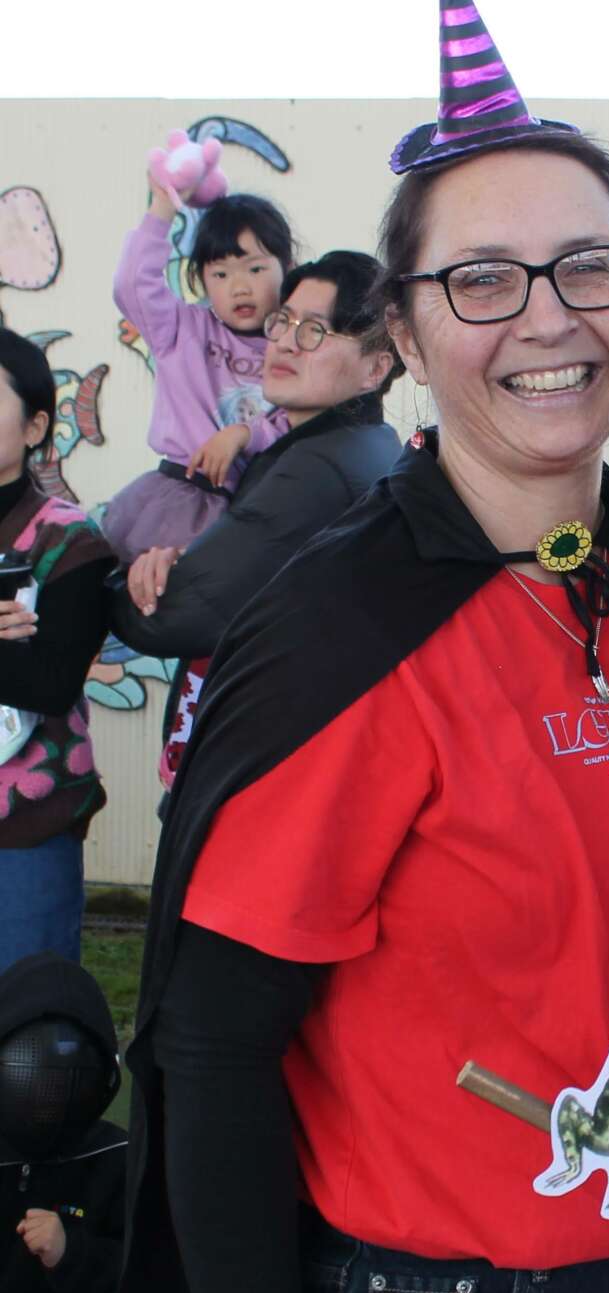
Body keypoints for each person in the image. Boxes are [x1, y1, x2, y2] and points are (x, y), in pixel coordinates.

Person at [95, 12, 609, 1293]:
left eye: (588, 267)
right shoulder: (343, 630)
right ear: (406, 330)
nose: (548, 319)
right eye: (483, 279)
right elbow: (213, 1043)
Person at [108, 249, 402, 792]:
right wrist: (187, 559)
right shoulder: (361, 445)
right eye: (283, 321)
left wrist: (117, 583)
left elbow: (176, 616)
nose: (286, 342)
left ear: (376, 369)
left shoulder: (316, 469)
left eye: (315, 330)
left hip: (263, 772)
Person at [0, 329, 113, 971]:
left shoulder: (70, 541)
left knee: (24, 1013)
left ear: (36, 426)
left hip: (25, 826)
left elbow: (47, 683)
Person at [103, 185, 295, 561]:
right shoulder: (181, 329)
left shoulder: (293, 346)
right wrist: (163, 206)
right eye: (220, 274)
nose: (239, 287)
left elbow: (300, 421)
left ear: (287, 268)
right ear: (200, 280)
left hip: (251, 506)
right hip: (179, 495)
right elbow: (132, 284)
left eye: (255, 269)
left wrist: (245, 434)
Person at [0, 952, 128, 1293]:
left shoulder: (116, 1156)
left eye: (66, 1080)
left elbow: (143, 1264)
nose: (46, 1095)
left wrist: (70, 1253)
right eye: (31, 1071)